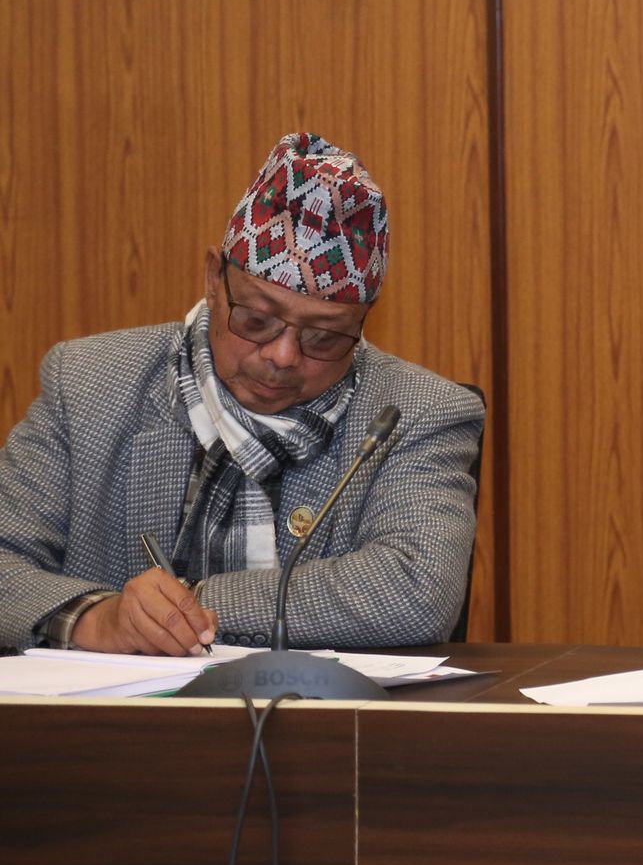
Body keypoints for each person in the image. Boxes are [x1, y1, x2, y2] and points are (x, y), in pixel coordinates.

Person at [0, 133, 484, 655]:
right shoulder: (88, 381)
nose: (283, 356)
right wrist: (96, 617)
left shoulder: (417, 412)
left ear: (362, 323)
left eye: (324, 337)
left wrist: (182, 609)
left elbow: (417, 590)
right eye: (256, 320)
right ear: (214, 279)